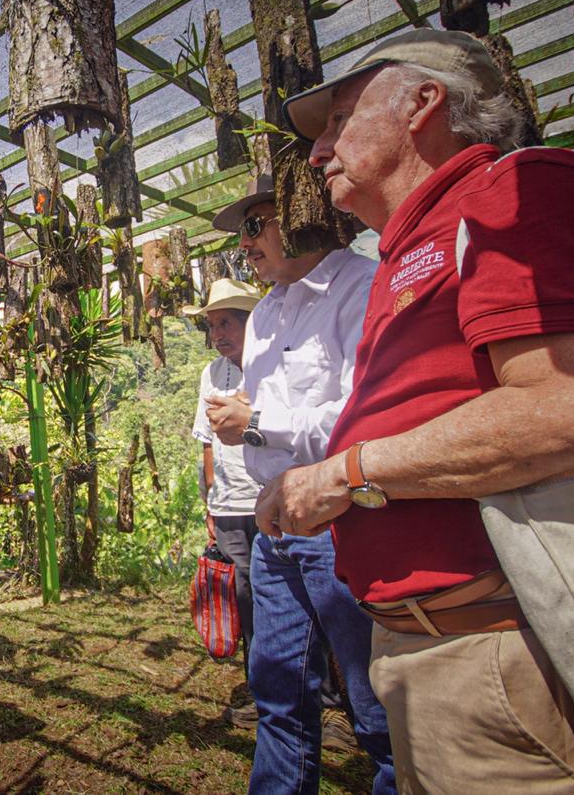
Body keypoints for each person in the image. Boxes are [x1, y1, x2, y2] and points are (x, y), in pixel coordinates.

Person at [264, 27, 574, 791]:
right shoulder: (407, 252)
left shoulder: (521, 192)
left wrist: (343, 474)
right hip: (427, 651)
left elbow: (573, 408)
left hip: (502, 656)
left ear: (423, 101)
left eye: (340, 118)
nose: (318, 153)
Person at [204, 175, 394, 795]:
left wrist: (256, 422)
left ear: (300, 212)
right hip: (277, 533)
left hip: (347, 524)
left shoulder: (363, 288)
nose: (247, 244)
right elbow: (272, 422)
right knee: (279, 696)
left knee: (377, 707)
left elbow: (370, 418)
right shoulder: (265, 317)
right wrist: (248, 427)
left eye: (256, 225)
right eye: (242, 235)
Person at [182, 277, 263, 728]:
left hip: (271, 500)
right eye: (213, 326)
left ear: (252, 322)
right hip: (231, 507)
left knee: (294, 600)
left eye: (228, 322)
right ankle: (261, 691)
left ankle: (327, 706)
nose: (219, 334)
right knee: (246, 599)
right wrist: (211, 503)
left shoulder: (272, 364)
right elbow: (206, 442)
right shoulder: (210, 374)